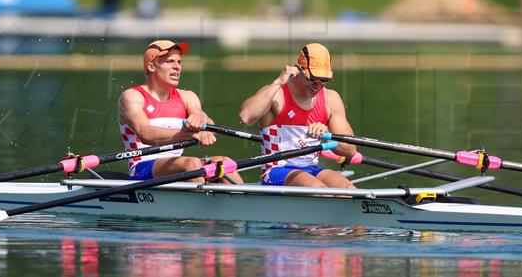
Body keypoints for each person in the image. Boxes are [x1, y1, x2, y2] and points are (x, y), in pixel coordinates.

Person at [118, 39, 243, 184]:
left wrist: (203, 123)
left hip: (178, 165)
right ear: (151, 66)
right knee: (191, 163)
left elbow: (204, 118)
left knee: (224, 163)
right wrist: (190, 134)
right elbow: (145, 133)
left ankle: (248, 201)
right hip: (141, 167)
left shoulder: (187, 96)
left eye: (179, 62)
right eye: (170, 61)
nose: (176, 67)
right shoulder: (132, 96)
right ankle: (202, 201)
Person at [238, 43, 356, 188]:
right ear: (298, 69)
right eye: (312, 79)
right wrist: (278, 82)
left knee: (347, 189)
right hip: (275, 171)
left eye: (323, 81)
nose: (317, 86)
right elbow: (246, 116)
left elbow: (350, 150)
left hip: (312, 169)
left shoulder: (330, 99)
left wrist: (327, 134)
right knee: (317, 188)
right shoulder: (277, 95)